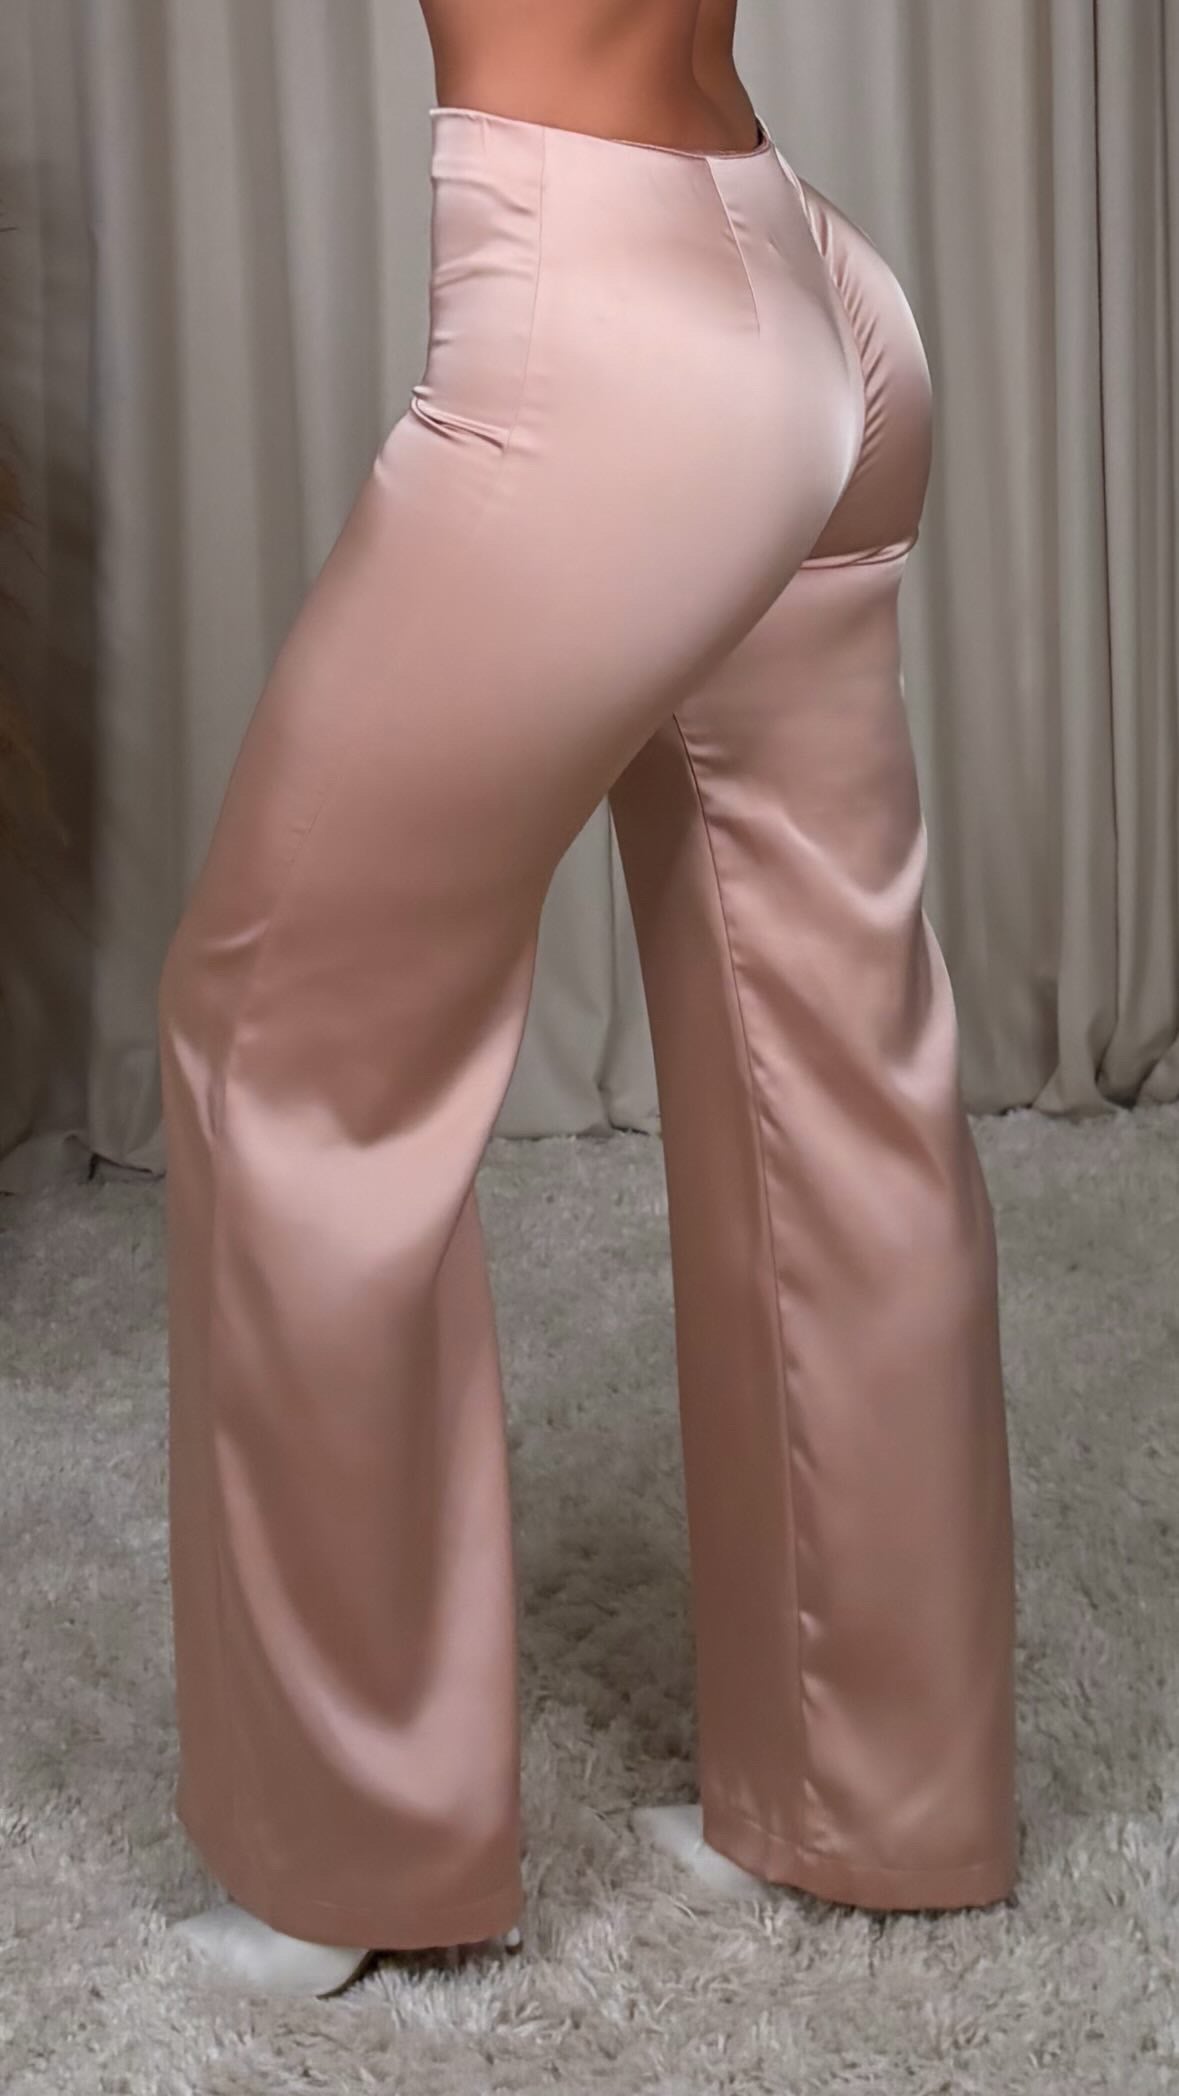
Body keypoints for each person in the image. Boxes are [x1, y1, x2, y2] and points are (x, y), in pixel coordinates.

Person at [160, 0, 1019, 2000]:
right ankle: (875, 1783)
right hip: (803, 272)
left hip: (605, 323)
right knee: (829, 1046)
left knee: (279, 1041)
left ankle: (347, 1846)